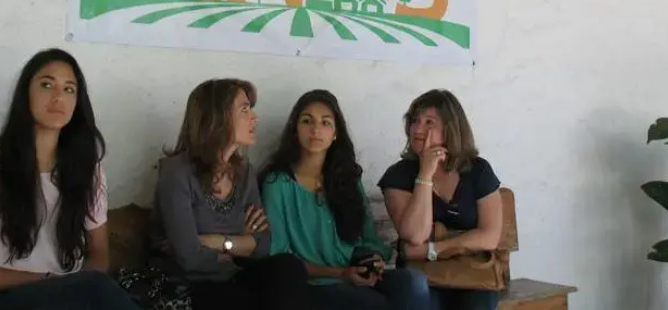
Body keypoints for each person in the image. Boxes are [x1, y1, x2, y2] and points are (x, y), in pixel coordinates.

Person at [0, 48, 137, 310]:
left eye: (69, 89)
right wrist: (46, 281)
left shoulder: (87, 170)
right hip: (2, 299)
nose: (58, 97)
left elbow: (100, 255)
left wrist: (70, 286)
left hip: (71, 297)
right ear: (26, 94)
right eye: (47, 85)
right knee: (96, 288)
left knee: (98, 287)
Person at [260, 89, 430, 310]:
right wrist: (341, 274)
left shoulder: (346, 179)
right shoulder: (278, 184)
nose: (315, 130)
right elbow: (280, 258)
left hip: (356, 274)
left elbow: (370, 238)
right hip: (316, 283)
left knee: (413, 283)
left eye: (325, 123)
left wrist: (374, 259)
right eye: (307, 121)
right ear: (295, 129)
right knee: (375, 304)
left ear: (335, 133)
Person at [151, 78, 312, 310]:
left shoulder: (244, 172)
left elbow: (263, 244)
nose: (254, 118)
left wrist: (216, 242)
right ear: (217, 118)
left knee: (289, 267)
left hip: (232, 275)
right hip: (189, 285)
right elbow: (188, 257)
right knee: (241, 299)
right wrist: (240, 245)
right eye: (244, 109)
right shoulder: (177, 173)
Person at [378, 89, 503, 310]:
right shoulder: (398, 175)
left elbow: (490, 237)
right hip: (422, 277)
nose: (418, 129)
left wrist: (432, 250)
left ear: (451, 129)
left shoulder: (478, 170)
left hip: (473, 275)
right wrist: (425, 174)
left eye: (429, 122)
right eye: (415, 121)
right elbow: (415, 235)